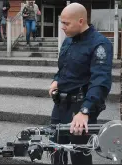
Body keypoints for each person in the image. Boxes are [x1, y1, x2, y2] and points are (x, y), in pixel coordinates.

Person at [49, 3, 113, 165]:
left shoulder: (100, 44)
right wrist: (56, 80)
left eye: (66, 23)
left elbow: (100, 81)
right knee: (56, 150)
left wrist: (85, 111)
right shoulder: (68, 41)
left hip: (82, 106)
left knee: (78, 154)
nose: (62, 27)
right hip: (61, 104)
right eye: (61, 22)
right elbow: (63, 68)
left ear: (80, 21)